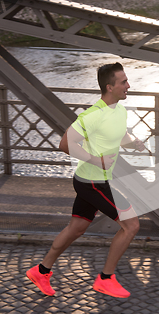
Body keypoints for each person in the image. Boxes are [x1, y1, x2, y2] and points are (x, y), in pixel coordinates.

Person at [26, 62, 145, 298]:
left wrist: (133, 142)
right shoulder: (92, 116)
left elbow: (118, 134)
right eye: (123, 82)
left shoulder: (119, 110)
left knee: (76, 229)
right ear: (109, 87)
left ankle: (41, 271)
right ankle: (105, 278)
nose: (128, 85)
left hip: (94, 181)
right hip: (92, 182)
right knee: (131, 225)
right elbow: (65, 144)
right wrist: (95, 160)